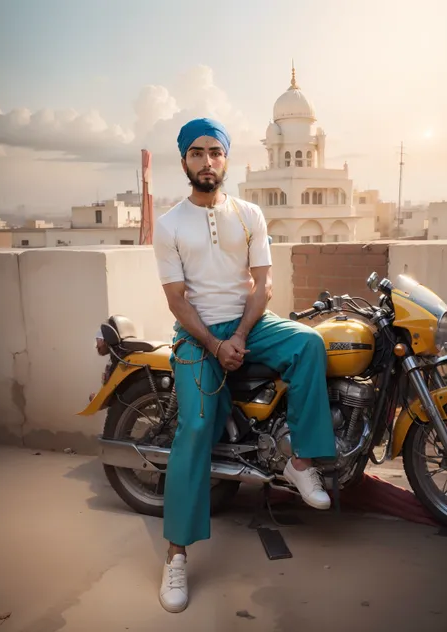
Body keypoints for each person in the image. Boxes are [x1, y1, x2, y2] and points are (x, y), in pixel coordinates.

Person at [153, 118, 336, 613]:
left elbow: (264, 285)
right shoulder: (169, 224)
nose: (207, 161)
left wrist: (238, 336)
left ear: (227, 158)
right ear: (184, 160)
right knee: (193, 426)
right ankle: (176, 556)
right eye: (197, 153)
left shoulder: (250, 213)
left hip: (251, 324)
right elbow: (176, 301)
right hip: (197, 335)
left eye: (215, 152)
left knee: (309, 344)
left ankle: (301, 461)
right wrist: (215, 344)